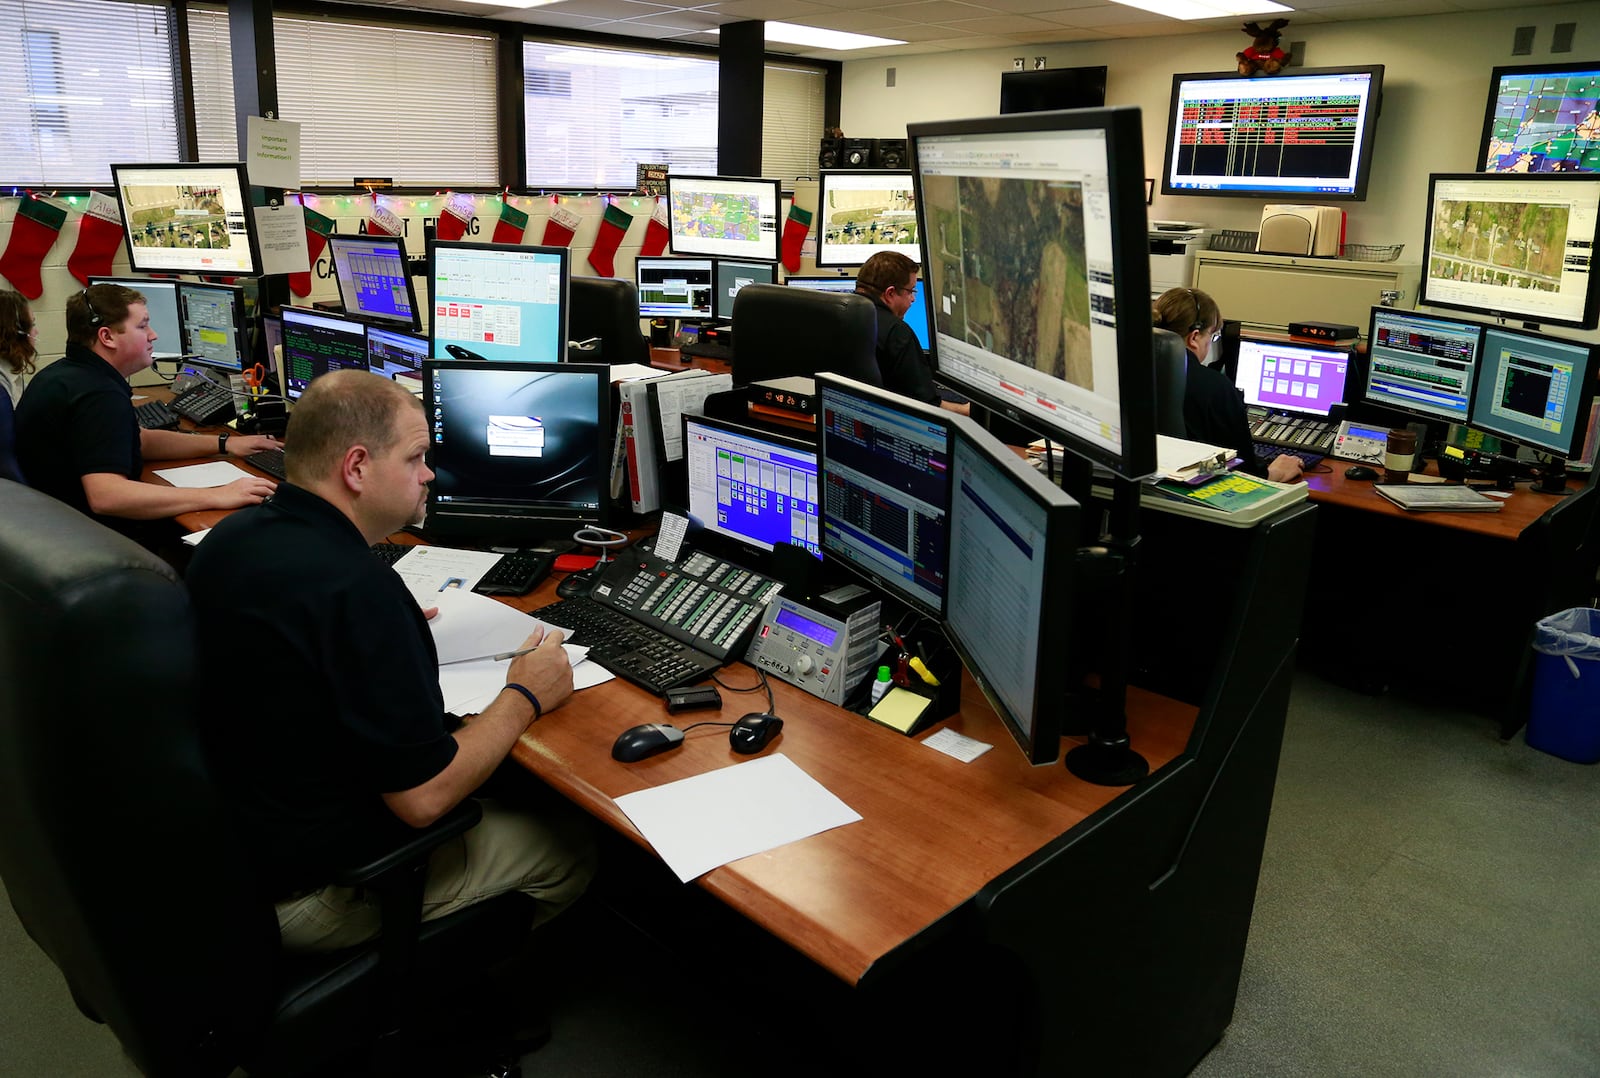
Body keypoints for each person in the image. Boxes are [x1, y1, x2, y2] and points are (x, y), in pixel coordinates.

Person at [186, 369, 595, 951]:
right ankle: (458, 997)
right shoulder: (354, 589)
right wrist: (524, 695)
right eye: (416, 457)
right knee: (568, 848)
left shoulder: (237, 536)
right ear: (356, 467)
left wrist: (386, 635)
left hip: (233, 846)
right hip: (312, 890)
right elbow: (422, 800)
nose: (430, 474)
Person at [13, 283, 280, 539]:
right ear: (106, 336)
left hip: (51, 528)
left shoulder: (68, 374)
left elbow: (137, 440)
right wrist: (218, 494)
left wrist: (227, 444)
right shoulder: (97, 394)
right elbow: (107, 496)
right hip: (86, 539)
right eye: (142, 326)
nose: (153, 335)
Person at [1153, 287, 1303, 484]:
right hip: (1186, 497)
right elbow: (1240, 469)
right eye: (1212, 336)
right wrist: (1275, 472)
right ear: (1194, 337)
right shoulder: (1214, 388)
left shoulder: (1124, 368)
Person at [854, 251, 969, 415]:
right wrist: (967, 410)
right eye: (911, 291)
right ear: (890, 293)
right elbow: (927, 406)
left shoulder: (842, 315)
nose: (913, 299)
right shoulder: (897, 332)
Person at [0, 289, 35, 484]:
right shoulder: (1, 389)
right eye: (33, 325)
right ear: (17, 332)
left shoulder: (10, 371)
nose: (36, 332)